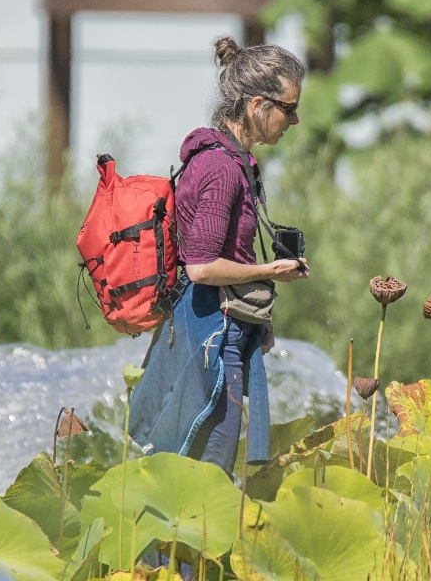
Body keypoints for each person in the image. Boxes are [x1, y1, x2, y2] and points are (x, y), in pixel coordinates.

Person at [128, 36, 310, 478]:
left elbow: (230, 251)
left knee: (203, 470)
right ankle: (162, 552)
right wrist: (271, 271)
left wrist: (259, 321)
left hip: (224, 327)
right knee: (206, 473)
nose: (295, 120)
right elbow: (203, 266)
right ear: (256, 106)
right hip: (209, 335)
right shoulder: (221, 169)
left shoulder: (235, 163)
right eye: (288, 108)